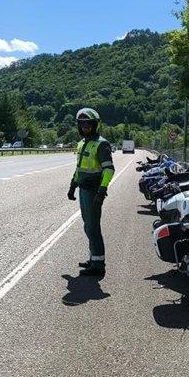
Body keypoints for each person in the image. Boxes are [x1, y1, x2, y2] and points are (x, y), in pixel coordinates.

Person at [67, 107, 115, 277]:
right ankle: (93, 258)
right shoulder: (82, 143)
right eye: (82, 124)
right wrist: (73, 185)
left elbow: (109, 169)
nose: (85, 127)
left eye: (88, 124)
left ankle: (98, 265)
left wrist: (102, 191)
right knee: (88, 226)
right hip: (83, 190)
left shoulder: (101, 144)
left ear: (95, 125)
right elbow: (79, 168)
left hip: (94, 191)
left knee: (93, 227)